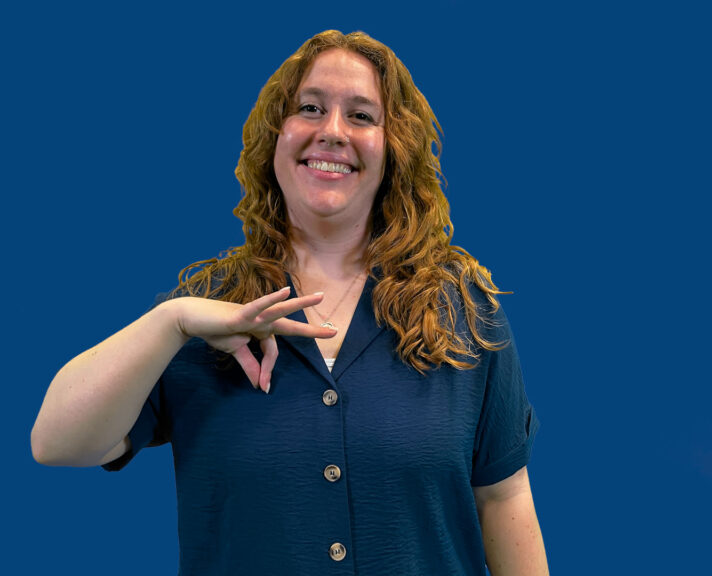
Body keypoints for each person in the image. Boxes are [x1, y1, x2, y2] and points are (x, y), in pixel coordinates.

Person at [31, 30, 548, 575]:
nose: (332, 132)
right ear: (274, 138)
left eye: (362, 116)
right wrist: (171, 321)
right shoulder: (206, 311)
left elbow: (504, 499)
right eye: (310, 107)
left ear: (395, 149)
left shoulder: (462, 309)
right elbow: (56, 442)